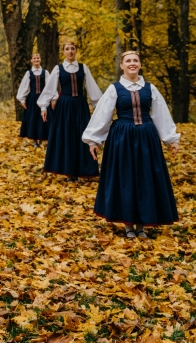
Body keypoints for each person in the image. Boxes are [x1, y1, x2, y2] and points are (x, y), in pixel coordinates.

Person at [83, 51, 180, 239]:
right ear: (122, 65)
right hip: (122, 138)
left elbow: (161, 114)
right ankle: (128, 225)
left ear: (140, 64)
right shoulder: (114, 89)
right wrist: (93, 140)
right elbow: (102, 114)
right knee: (125, 178)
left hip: (146, 138)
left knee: (146, 178)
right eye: (128, 61)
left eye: (135, 60)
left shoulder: (150, 89)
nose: (132, 63)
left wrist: (171, 139)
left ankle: (142, 224)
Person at [40, 41, 103, 180]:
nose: (70, 51)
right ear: (63, 51)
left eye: (72, 49)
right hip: (64, 107)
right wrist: (43, 106)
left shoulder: (83, 68)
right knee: (66, 136)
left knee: (82, 136)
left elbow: (92, 88)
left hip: (80, 106)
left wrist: (98, 107)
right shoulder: (58, 69)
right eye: (67, 49)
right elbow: (50, 89)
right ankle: (68, 171)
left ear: (76, 51)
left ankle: (82, 170)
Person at [16, 53, 49, 147]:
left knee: (43, 119)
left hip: (43, 98)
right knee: (33, 119)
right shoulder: (29, 73)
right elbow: (24, 86)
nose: (36, 60)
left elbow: (49, 86)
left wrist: (51, 98)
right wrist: (22, 99)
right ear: (31, 60)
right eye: (34, 58)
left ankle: (42, 140)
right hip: (32, 99)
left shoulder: (45, 72)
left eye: (38, 58)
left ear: (40, 59)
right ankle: (34, 141)